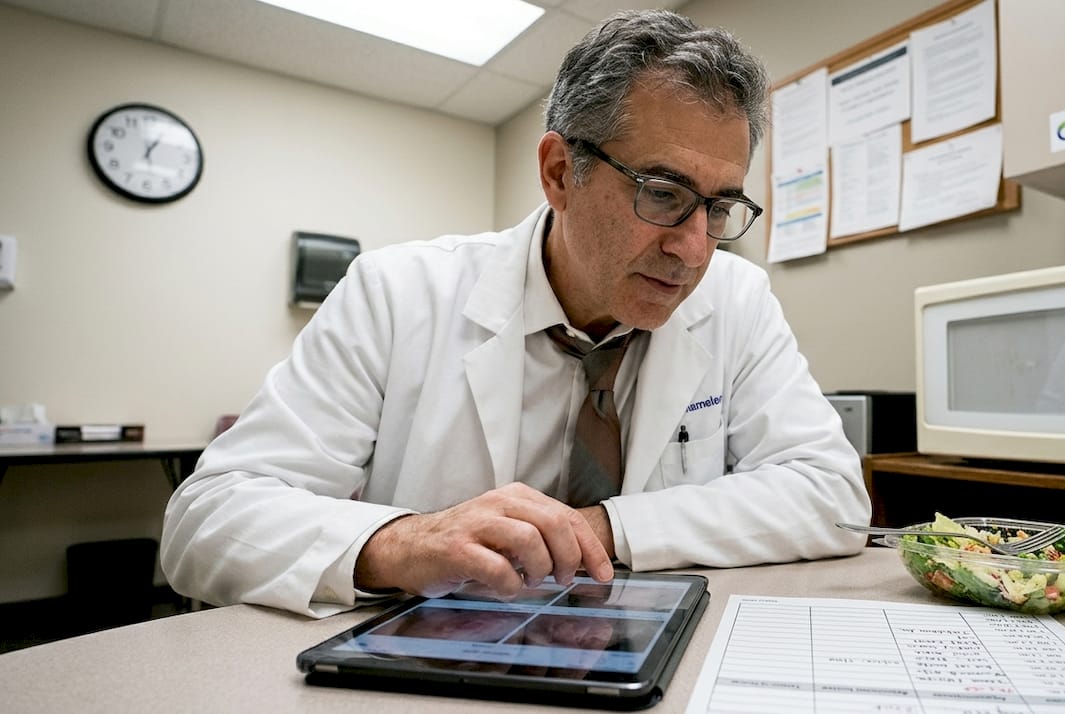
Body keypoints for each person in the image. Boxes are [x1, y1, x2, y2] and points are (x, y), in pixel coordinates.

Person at [161, 9, 871, 618]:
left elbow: (831, 496)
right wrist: (401, 543)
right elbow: (206, 521)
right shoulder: (397, 291)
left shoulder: (737, 301)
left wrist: (602, 528)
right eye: (662, 191)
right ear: (561, 172)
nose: (692, 248)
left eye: (719, 207)